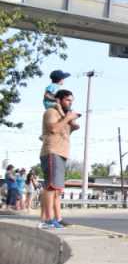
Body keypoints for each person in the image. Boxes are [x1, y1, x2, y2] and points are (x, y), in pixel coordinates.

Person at [40, 89, 81, 229]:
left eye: (71, 101)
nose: (70, 103)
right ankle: (47, 219)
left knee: (57, 189)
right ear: (59, 100)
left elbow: (75, 126)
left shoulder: (63, 115)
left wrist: (70, 118)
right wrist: (67, 118)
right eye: (68, 100)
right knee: (51, 187)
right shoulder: (51, 112)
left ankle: (58, 218)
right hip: (52, 151)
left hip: (62, 153)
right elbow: (53, 129)